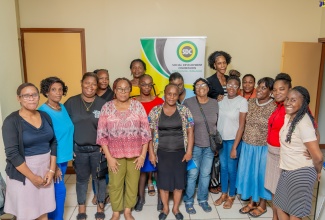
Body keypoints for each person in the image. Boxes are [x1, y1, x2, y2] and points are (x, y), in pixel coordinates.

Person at [97, 77, 152, 220]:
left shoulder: (137, 106)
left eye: (126, 89)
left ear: (130, 90)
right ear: (115, 90)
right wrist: (109, 157)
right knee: (115, 184)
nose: (123, 91)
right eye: (119, 89)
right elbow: (101, 134)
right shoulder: (107, 107)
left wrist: (142, 156)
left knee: (132, 184)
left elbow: (146, 132)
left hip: (135, 154)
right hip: (114, 154)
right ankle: (116, 212)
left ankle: (128, 210)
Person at [3, 83, 57, 220]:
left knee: (43, 210)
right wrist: (33, 177)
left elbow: (53, 142)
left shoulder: (45, 116)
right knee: (27, 214)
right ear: (19, 98)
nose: (31, 98)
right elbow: (12, 154)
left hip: (44, 169)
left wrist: (51, 170)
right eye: (26, 95)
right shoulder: (11, 121)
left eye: (34, 95)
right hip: (24, 172)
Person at [273, 86, 323, 220]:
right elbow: (315, 134)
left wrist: (318, 171)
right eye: (287, 99)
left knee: (294, 213)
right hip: (287, 169)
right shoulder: (288, 117)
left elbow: (318, 156)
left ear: (303, 103)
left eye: (293, 100)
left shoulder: (303, 122)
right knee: (279, 205)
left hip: (301, 171)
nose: (288, 102)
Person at [64, 72, 107, 220]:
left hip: (98, 150)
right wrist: (69, 147)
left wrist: (105, 144)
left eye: (93, 84)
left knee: (99, 179)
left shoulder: (103, 104)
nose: (90, 86)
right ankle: (81, 210)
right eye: (87, 83)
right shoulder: (71, 102)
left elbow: (108, 127)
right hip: (78, 150)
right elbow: (65, 127)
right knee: (81, 180)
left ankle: (100, 208)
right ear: (81, 83)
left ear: (97, 86)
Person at [148, 84, 194, 220]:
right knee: (163, 183)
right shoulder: (155, 111)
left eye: (175, 94)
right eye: (169, 94)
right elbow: (148, 135)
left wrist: (189, 151)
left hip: (180, 153)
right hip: (161, 153)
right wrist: (151, 153)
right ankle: (165, 208)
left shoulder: (184, 110)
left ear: (178, 95)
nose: (172, 97)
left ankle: (175, 208)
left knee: (179, 183)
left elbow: (191, 132)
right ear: (165, 94)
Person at [236, 77, 276, 217]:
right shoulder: (250, 102)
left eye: (264, 87)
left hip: (263, 147)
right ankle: (252, 202)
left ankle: (263, 205)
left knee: (261, 176)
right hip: (248, 145)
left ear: (271, 91)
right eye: (259, 86)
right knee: (249, 174)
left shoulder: (275, 106)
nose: (259, 89)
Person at [39, 77, 74, 220]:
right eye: (53, 89)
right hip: (54, 160)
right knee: (59, 192)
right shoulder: (43, 112)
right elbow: (44, 141)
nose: (58, 93)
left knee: (55, 192)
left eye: (60, 89)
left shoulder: (62, 107)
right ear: (46, 92)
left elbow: (66, 131)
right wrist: (53, 167)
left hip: (64, 157)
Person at [183, 78, 218, 214]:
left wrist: (215, 146)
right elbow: (184, 125)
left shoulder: (215, 103)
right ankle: (189, 200)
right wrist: (187, 148)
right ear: (194, 89)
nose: (201, 87)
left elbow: (217, 123)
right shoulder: (188, 103)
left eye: (203, 85)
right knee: (192, 175)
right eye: (197, 85)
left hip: (210, 146)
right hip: (194, 146)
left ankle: (203, 199)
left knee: (205, 174)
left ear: (208, 88)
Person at [213, 71, 248, 209]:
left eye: (235, 85)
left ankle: (231, 195)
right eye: (229, 85)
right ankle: (223, 194)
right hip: (221, 140)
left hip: (234, 140)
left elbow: (241, 126)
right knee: (224, 167)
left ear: (238, 88)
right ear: (225, 86)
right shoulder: (221, 100)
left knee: (232, 169)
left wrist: (235, 147)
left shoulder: (242, 101)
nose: (232, 87)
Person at [133, 74, 164, 212]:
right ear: (139, 85)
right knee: (142, 171)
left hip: (157, 139)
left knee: (158, 170)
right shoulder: (133, 101)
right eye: (144, 84)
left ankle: (160, 200)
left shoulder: (159, 101)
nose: (146, 87)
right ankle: (141, 198)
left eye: (149, 84)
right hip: (139, 140)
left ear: (152, 85)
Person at [264, 73, 292, 220]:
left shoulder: (293, 107)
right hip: (272, 153)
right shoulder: (278, 106)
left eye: (281, 89)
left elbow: (313, 130)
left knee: (282, 197)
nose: (277, 93)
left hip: (283, 156)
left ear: (289, 90)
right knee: (275, 192)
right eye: (274, 90)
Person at [91, 68, 113, 206]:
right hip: (93, 137)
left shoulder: (112, 95)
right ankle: (97, 193)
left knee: (109, 168)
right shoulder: (90, 95)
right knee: (96, 169)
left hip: (110, 138)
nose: (104, 81)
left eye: (107, 78)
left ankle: (107, 193)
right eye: (101, 78)